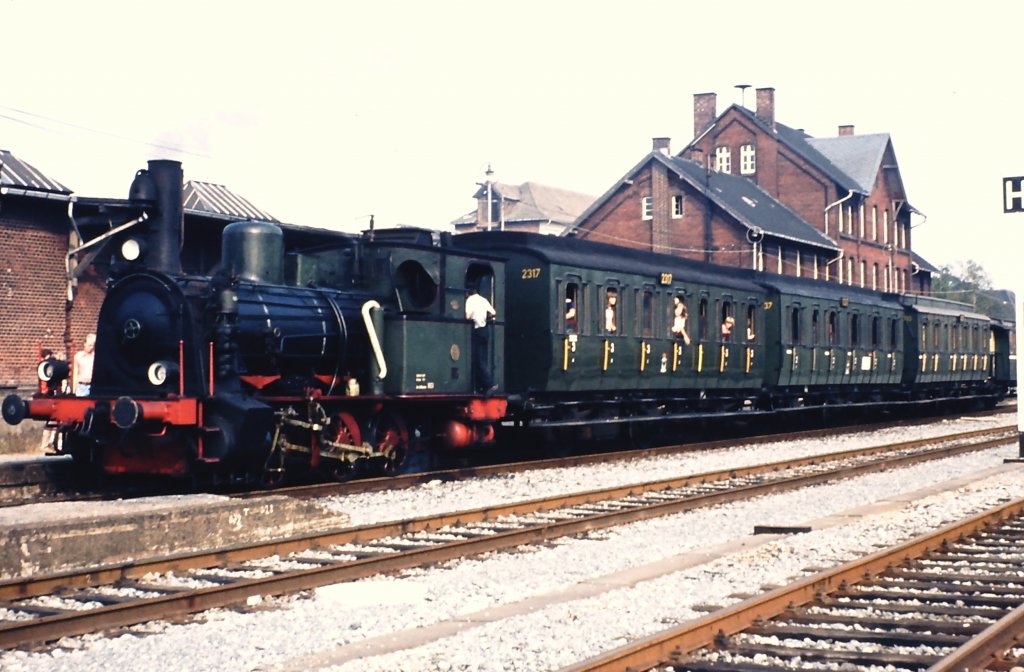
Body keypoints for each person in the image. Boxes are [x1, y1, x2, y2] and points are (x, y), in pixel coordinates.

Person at [465, 287, 497, 394]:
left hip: (477, 331)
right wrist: (485, 317)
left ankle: (489, 384)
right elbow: (493, 312)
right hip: (485, 330)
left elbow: (467, 316)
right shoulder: (483, 300)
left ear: (468, 293)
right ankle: (482, 386)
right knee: (483, 359)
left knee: (477, 360)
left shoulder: (470, 300)